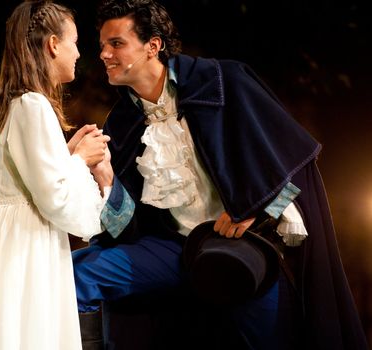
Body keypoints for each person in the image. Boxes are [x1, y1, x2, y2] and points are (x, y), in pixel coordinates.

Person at [73, 0, 369, 349]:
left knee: (284, 338)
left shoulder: (222, 81)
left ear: (153, 46)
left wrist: (255, 207)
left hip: (237, 251)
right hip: (170, 252)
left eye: (117, 43)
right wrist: (106, 177)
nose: (104, 54)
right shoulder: (122, 123)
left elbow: (292, 159)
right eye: (103, 45)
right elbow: (130, 226)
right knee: (79, 272)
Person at [0, 1, 111, 349]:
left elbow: (34, 177)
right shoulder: (32, 105)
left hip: (11, 236)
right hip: (22, 243)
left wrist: (64, 156)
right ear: (53, 44)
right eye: (75, 41)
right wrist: (80, 160)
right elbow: (54, 196)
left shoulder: (18, 103)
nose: (80, 53)